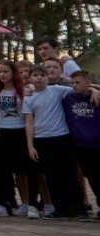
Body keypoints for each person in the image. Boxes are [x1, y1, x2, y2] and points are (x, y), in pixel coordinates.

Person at [24, 65, 95, 219]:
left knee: (69, 175)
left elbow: (80, 88)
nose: (39, 78)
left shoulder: (57, 90)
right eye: (35, 75)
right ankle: (60, 208)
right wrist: (30, 146)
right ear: (30, 78)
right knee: (51, 176)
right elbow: (29, 123)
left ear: (47, 77)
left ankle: (80, 207)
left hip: (62, 138)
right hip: (42, 140)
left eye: (42, 74)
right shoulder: (28, 98)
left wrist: (94, 90)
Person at [0, 60, 34, 217]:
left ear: (13, 73)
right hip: (3, 131)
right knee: (3, 169)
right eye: (0, 72)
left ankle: (29, 203)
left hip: (20, 131)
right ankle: (4, 203)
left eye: (6, 71)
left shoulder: (23, 90)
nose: (2, 74)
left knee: (24, 170)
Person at [64, 71, 100, 219]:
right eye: (72, 83)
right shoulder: (69, 97)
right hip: (80, 145)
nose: (74, 86)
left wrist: (94, 89)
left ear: (87, 82)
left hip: (97, 144)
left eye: (78, 82)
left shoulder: (95, 96)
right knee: (92, 177)